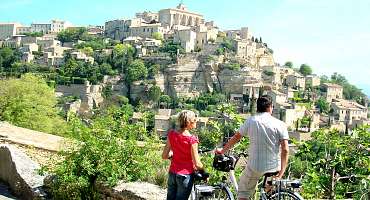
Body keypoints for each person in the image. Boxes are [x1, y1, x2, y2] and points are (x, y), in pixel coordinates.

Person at [216, 95, 289, 200]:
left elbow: (237, 137)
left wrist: (223, 150)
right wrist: (281, 172)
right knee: (270, 193)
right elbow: (285, 150)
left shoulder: (251, 121)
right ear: (270, 107)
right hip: (274, 167)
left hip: (255, 166)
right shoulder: (280, 124)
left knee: (243, 193)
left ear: (257, 107)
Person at [162, 110, 204, 200]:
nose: (196, 121)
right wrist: (204, 171)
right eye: (195, 120)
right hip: (186, 175)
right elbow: (197, 164)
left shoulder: (172, 134)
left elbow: (164, 156)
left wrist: (172, 155)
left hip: (172, 173)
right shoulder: (192, 140)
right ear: (189, 123)